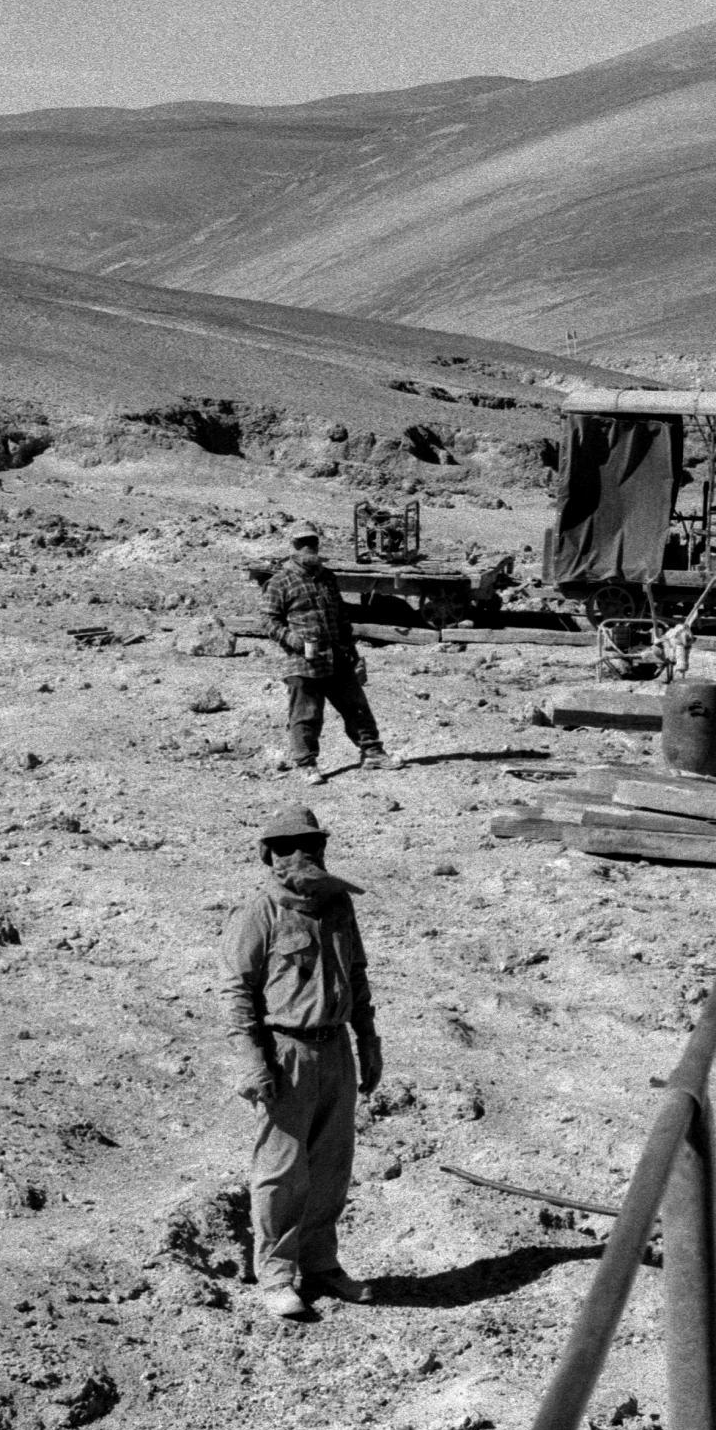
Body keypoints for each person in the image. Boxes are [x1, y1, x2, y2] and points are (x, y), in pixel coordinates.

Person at [220, 804, 383, 1320]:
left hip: (335, 1050)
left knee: (332, 1167)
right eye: (287, 846)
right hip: (284, 1053)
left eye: (310, 845)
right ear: (269, 856)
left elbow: (356, 978)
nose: (301, 855)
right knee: (281, 1172)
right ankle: (275, 1273)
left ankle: (320, 1263)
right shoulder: (258, 913)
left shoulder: (338, 905)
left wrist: (369, 1043)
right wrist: (252, 1064)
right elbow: (237, 994)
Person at [261, 526, 397, 785]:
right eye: (302, 542)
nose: (308, 547)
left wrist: (352, 650)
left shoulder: (327, 578)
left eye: (312, 541)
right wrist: (293, 640)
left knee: (356, 707)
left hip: (336, 656)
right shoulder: (280, 581)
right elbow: (268, 620)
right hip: (302, 662)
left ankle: (372, 753)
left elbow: (342, 616)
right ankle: (307, 764)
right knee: (305, 715)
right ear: (293, 546)